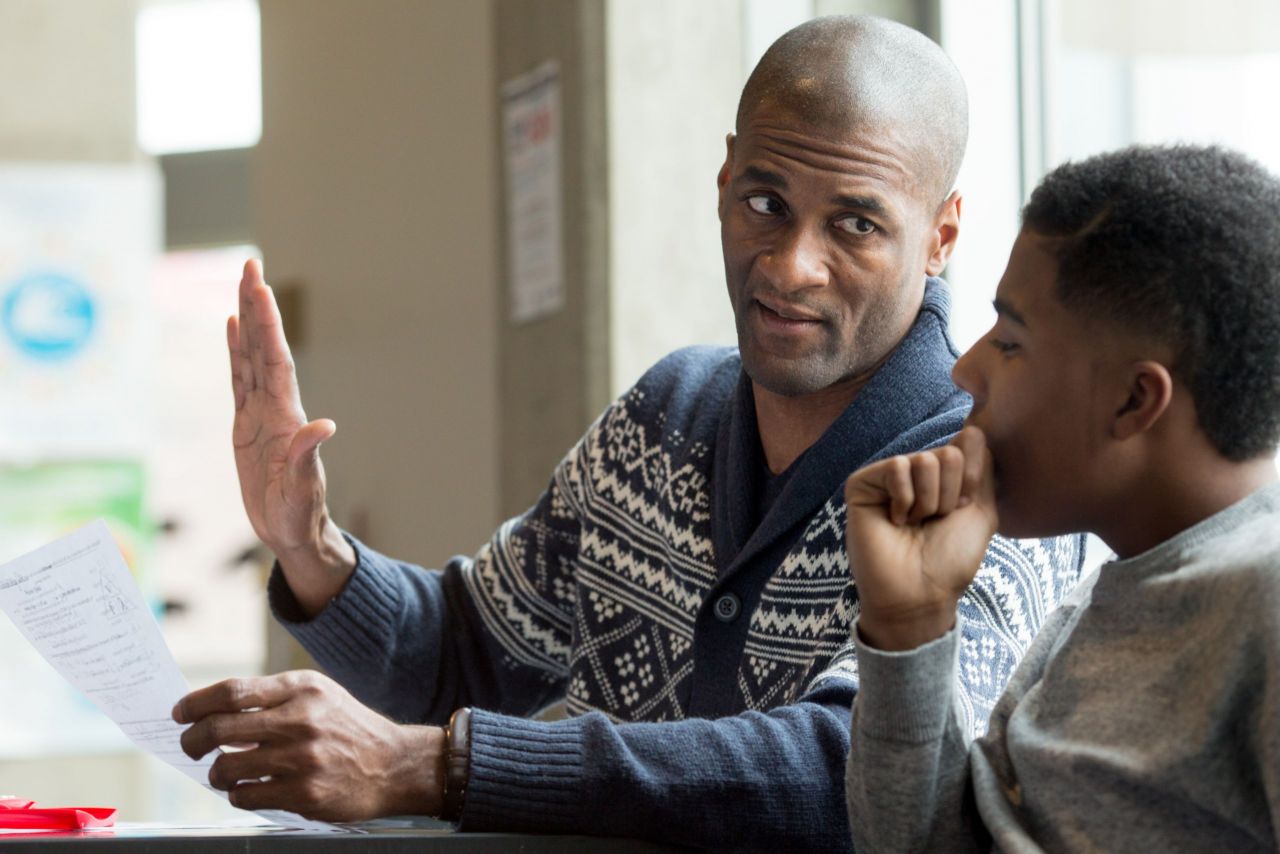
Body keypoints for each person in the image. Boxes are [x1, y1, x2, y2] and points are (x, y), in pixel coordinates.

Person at [173, 16, 1084, 851]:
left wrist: (433, 767)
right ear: (725, 180)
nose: (791, 265)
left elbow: (856, 768)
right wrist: (310, 545)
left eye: (855, 224)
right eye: (765, 202)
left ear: (941, 235)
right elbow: (471, 650)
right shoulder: (666, 412)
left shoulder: (998, 477)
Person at [843, 144, 1280, 852]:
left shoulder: (1265, 599)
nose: (966, 370)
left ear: (1134, 399)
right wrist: (911, 622)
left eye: (1010, 342)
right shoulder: (1097, 599)